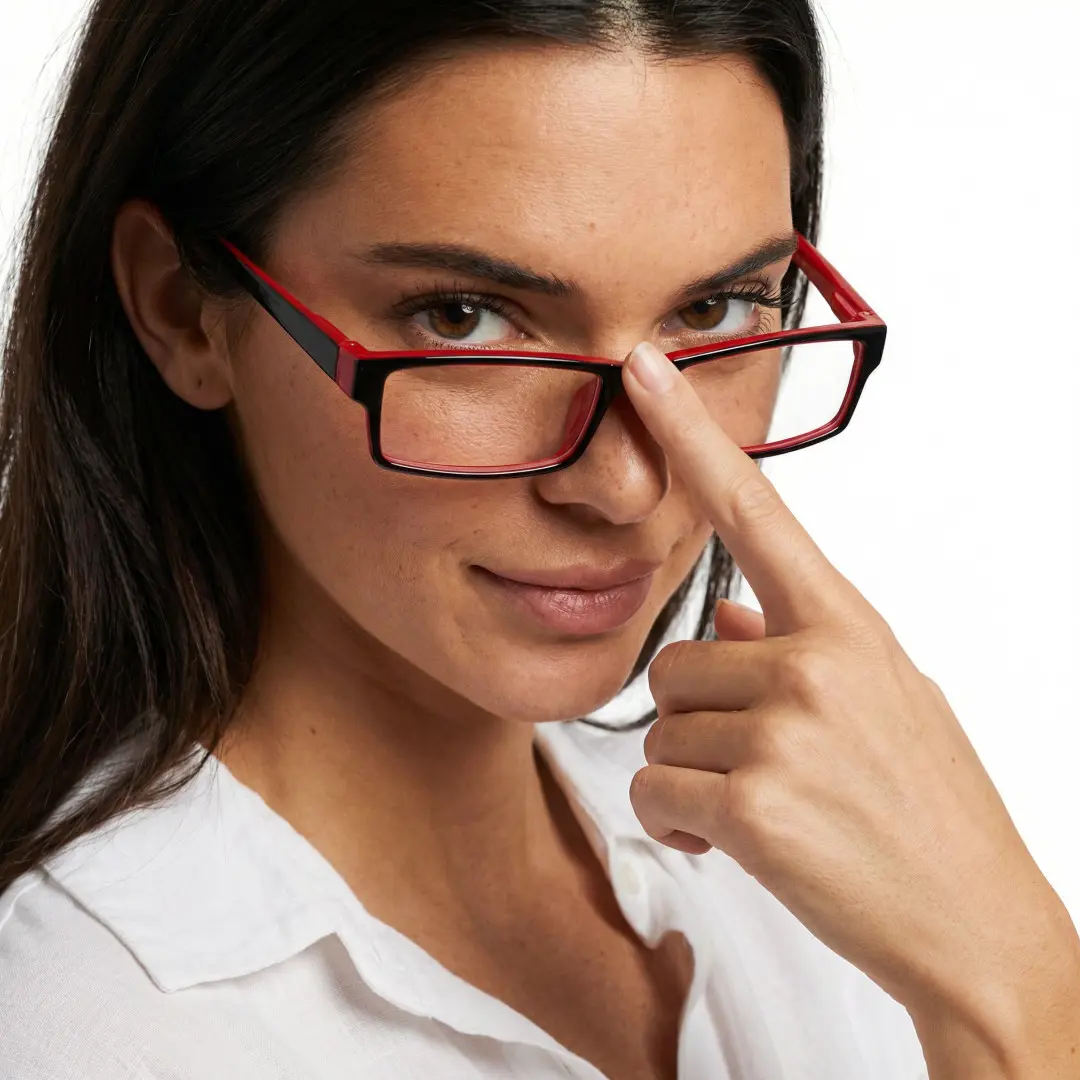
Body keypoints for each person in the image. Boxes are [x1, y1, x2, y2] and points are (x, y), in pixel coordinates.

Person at [0, 1, 1077, 1077]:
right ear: (182, 306)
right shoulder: (98, 1027)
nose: (625, 484)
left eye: (715, 309)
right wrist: (1016, 1002)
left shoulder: (818, 854)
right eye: (464, 316)